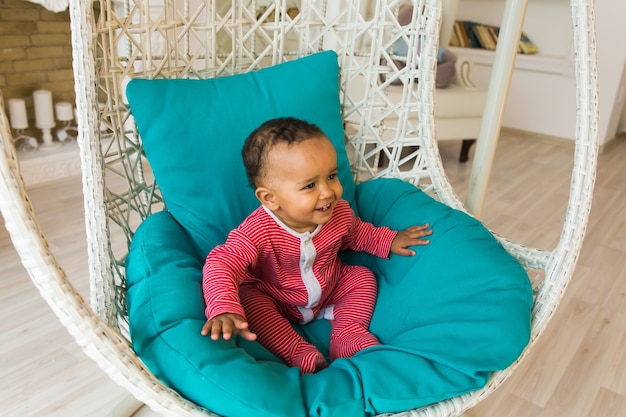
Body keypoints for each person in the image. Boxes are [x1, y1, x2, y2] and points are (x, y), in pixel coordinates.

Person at [201, 117, 432, 374]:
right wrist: (223, 307)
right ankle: (297, 352)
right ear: (270, 198)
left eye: (331, 176)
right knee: (251, 302)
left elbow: (357, 233)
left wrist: (389, 240)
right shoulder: (258, 231)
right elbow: (221, 263)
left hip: (330, 288)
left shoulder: (339, 213)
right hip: (277, 297)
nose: (328, 192)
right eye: (310, 185)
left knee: (361, 277)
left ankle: (346, 334)